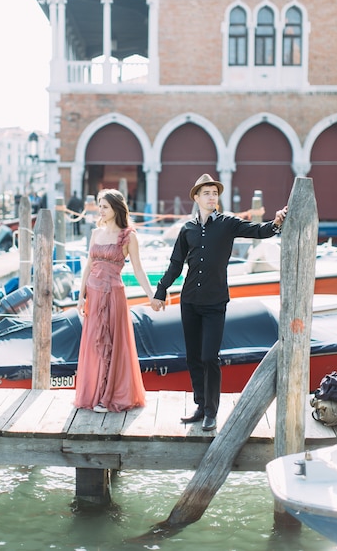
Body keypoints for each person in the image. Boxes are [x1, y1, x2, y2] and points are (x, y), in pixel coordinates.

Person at [153, 174, 287, 431]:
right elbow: (175, 265)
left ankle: (212, 412)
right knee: (192, 357)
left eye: (214, 193)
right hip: (189, 300)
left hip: (215, 303)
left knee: (209, 357)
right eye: (206, 193)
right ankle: (201, 407)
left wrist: (276, 222)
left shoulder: (227, 224)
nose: (211, 197)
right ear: (196, 197)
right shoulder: (187, 229)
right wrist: (161, 291)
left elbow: (258, 230)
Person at [75, 188, 160, 413]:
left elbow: (139, 270)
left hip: (113, 295)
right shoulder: (95, 233)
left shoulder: (128, 236)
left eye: (104, 206)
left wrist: (152, 295)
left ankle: (108, 397)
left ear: (115, 209)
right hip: (93, 295)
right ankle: (94, 394)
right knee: (95, 345)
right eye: (99, 206)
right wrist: (80, 296)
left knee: (113, 344)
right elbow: (88, 266)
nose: (100, 210)